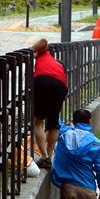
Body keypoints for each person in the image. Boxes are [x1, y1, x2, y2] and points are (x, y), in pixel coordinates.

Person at [52, 109, 100, 199]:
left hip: (68, 189)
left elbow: (54, 119)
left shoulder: (63, 134)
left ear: (73, 121)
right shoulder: (97, 144)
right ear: (89, 121)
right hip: (88, 191)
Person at [31, 37, 68, 169]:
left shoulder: (42, 54)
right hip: (61, 85)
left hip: (43, 79)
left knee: (38, 121)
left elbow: (43, 40)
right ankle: (49, 158)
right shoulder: (56, 63)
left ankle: (45, 157)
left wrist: (30, 50)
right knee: (53, 124)